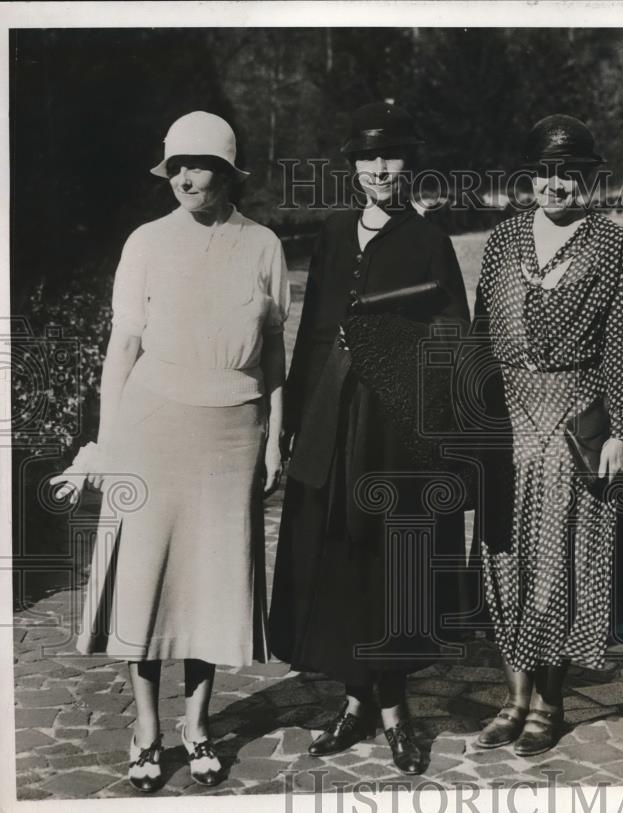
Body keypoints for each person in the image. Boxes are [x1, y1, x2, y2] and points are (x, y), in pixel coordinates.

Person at [53, 111, 289, 792]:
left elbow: (274, 350)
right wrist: (107, 439)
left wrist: (275, 436)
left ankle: (199, 723)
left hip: (232, 434)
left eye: (202, 164)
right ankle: (147, 729)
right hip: (154, 427)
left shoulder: (263, 244)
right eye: (177, 165)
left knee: (212, 585)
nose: (187, 177)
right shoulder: (146, 242)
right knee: (146, 582)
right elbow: (122, 347)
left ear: (228, 171)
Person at [267, 101, 470, 776]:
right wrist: (293, 422)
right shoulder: (331, 233)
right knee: (340, 558)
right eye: (369, 159)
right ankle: (356, 699)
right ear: (354, 167)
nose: (381, 170)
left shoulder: (429, 239)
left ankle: (393, 708)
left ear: (407, 166)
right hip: (332, 419)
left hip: (395, 431)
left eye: (392, 159)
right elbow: (314, 332)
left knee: (395, 563)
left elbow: (453, 340)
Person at [473, 115, 623, 756]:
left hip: (575, 422)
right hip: (508, 422)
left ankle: (549, 701)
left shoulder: (611, 244)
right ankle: (512, 697)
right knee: (504, 558)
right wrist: (471, 421)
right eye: (545, 172)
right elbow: (477, 337)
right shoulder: (504, 239)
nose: (555, 184)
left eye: (568, 173)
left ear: (588, 178)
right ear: (531, 177)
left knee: (561, 563)